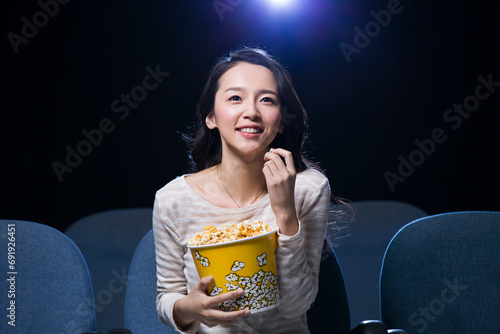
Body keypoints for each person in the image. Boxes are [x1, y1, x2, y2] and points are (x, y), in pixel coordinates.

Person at [153, 47, 332, 333]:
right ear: (211, 117)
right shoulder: (172, 199)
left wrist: (285, 213)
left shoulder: (308, 189)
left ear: (282, 120)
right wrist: (189, 308)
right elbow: (166, 297)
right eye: (235, 98)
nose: (251, 112)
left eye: (267, 100)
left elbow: (295, 306)